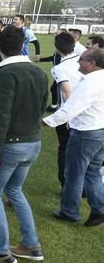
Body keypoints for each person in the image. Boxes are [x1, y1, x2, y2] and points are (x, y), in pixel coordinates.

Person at [0, 25, 48, 263]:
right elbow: (43, 107)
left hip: (11, 145)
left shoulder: (4, 75)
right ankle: (31, 244)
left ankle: (1, 252)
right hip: (32, 143)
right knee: (15, 191)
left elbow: (1, 117)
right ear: (22, 44)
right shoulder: (39, 73)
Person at [44, 48, 104, 227]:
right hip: (100, 131)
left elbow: (70, 108)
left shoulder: (90, 83)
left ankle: (69, 211)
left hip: (86, 133)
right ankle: (99, 208)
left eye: (82, 60)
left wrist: (45, 123)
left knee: (74, 174)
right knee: (92, 172)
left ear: (92, 63)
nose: (78, 63)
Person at [48, 32, 84, 189]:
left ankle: (66, 185)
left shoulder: (59, 68)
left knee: (65, 150)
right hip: (87, 111)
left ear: (57, 48)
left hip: (71, 114)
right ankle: (82, 186)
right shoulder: (83, 61)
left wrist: (69, 118)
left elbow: (67, 92)